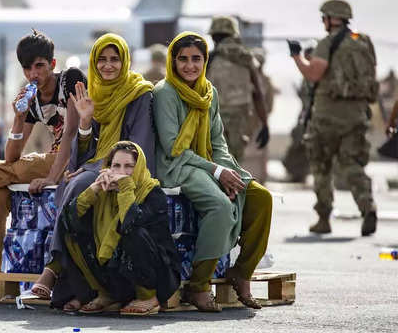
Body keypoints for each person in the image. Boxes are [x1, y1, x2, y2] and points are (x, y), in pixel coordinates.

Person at [0, 30, 84, 286]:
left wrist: (50, 177)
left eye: (39, 66)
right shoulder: (31, 97)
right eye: (27, 68)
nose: (34, 74)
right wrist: (19, 118)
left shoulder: (70, 79)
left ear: (52, 64)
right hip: (53, 159)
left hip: (75, 160)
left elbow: (71, 135)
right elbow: (11, 157)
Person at [33, 33, 155, 310]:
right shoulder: (94, 93)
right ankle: (81, 289)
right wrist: (86, 121)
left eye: (114, 59)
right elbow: (85, 146)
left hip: (126, 166)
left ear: (125, 61)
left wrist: (105, 170)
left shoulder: (140, 93)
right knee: (71, 186)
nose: (108, 66)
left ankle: (53, 269)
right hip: (97, 164)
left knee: (79, 186)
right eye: (102, 60)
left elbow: (139, 144)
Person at [153, 32, 272, 312]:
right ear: (173, 61)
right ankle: (198, 285)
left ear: (205, 61)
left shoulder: (209, 92)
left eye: (197, 59)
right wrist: (218, 173)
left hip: (208, 163)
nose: (190, 66)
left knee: (259, 197)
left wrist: (230, 172)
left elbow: (218, 143)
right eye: (183, 59)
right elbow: (173, 148)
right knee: (219, 205)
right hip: (178, 166)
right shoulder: (165, 93)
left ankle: (241, 273)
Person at [55, 141, 180, 315]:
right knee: (70, 230)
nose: (121, 172)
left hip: (157, 276)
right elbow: (68, 218)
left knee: (132, 231)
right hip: (119, 273)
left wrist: (126, 186)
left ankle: (148, 297)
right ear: (107, 167)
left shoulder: (152, 192)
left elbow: (131, 221)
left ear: (138, 167)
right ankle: (107, 294)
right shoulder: (104, 193)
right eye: (116, 166)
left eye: (129, 166)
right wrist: (94, 189)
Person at [288, 0, 378, 236]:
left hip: (327, 116)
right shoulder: (363, 41)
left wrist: (297, 57)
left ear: (329, 19)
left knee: (321, 166)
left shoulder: (327, 43)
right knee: (352, 164)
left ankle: (324, 218)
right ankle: (367, 206)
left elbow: (314, 73)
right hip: (357, 114)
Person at [206, 16, 269, 163]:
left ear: (214, 37)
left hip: (213, 120)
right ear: (234, 35)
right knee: (234, 165)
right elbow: (258, 94)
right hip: (239, 120)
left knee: (214, 166)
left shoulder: (208, 59)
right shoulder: (247, 58)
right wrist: (265, 124)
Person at [241, 48, 277, 184]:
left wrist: (263, 118)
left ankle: (259, 181)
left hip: (258, 121)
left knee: (260, 153)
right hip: (248, 121)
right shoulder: (248, 79)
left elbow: (269, 103)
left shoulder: (265, 80)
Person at [282, 43, 316, 183]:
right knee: (297, 143)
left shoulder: (316, 74)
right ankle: (297, 173)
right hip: (306, 115)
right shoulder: (307, 75)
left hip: (313, 117)